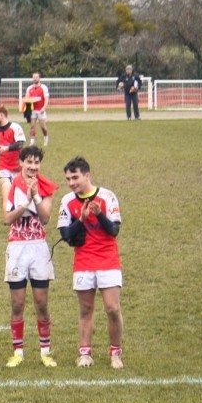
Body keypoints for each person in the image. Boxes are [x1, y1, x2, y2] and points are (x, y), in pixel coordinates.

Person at [58, 156, 124, 369]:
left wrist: (100, 215)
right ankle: (85, 353)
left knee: (112, 308)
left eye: (75, 177)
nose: (71, 183)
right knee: (86, 309)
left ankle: (115, 352)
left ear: (87, 175)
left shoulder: (107, 197)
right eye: (68, 179)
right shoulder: (67, 201)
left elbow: (113, 230)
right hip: (83, 261)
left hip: (108, 259)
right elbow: (66, 235)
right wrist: (82, 219)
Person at [2, 146, 57, 368]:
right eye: (29, 162)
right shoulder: (12, 185)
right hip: (17, 248)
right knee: (17, 304)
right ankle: (18, 352)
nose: (33, 167)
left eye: (37, 163)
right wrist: (24, 202)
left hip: (38, 249)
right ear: (21, 163)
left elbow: (45, 218)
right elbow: (7, 219)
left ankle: (45, 351)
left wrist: (35, 195)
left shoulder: (46, 187)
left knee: (41, 303)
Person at [0, 105, 26, 185]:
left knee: (16, 193)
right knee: (6, 185)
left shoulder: (15, 127)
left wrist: (7, 148)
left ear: (2, 115)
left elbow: (20, 144)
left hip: (17, 167)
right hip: (3, 166)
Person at [23, 73, 49, 146]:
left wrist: (44, 107)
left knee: (43, 126)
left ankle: (46, 137)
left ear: (39, 78)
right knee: (32, 126)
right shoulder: (29, 88)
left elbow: (46, 99)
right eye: (33, 77)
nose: (35, 79)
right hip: (32, 110)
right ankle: (32, 141)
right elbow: (27, 98)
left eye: (36, 77)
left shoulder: (43, 87)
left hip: (40, 109)